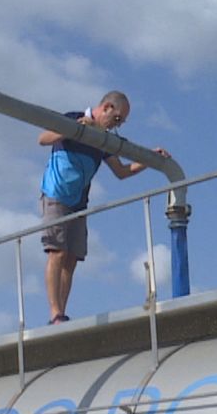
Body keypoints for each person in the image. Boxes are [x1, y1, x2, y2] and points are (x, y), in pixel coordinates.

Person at [37, 90, 169, 325]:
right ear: (106, 108)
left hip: (79, 201)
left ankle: (61, 314)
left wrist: (149, 159)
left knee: (72, 258)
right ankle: (55, 313)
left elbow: (122, 172)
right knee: (56, 251)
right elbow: (43, 138)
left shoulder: (103, 139)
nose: (117, 126)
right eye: (117, 119)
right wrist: (74, 129)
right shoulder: (74, 117)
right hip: (56, 193)